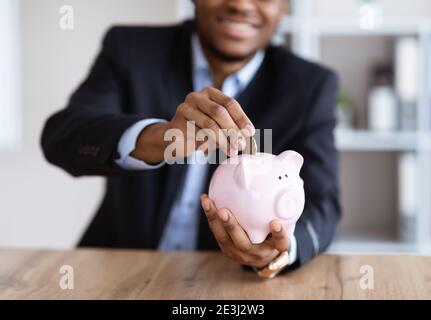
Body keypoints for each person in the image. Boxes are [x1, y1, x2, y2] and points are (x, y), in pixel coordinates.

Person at [41, 0, 340, 275]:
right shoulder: (130, 49)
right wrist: (159, 138)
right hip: (116, 270)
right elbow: (61, 135)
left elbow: (323, 203)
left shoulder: (310, 86)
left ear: (284, 8)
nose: (240, 4)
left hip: (226, 282)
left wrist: (277, 250)